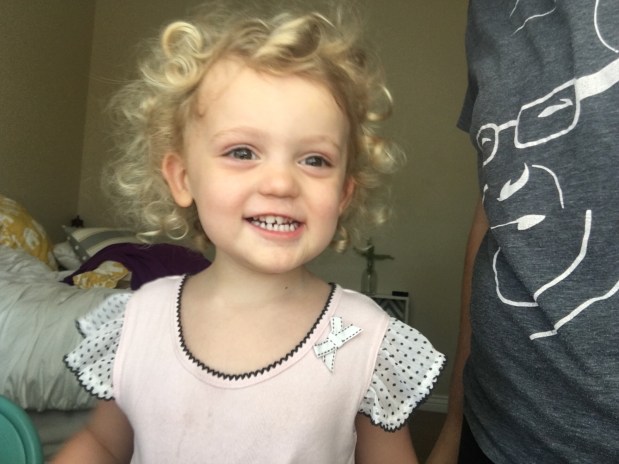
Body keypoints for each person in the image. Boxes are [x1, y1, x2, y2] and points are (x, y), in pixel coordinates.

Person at [53, 4, 445, 463]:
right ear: (183, 178)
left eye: (314, 160)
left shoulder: (362, 336)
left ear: (343, 194)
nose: (280, 183)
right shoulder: (141, 319)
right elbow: (102, 443)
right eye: (242, 152)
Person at [428, 1, 619, 463]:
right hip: (491, 423)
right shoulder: (487, 12)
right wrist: (455, 418)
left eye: (553, 116)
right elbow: (496, 207)